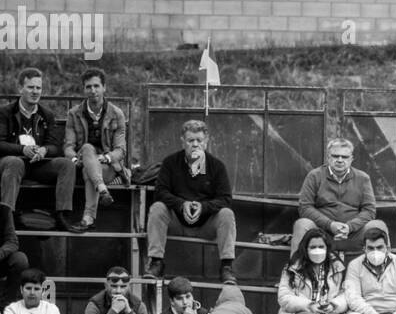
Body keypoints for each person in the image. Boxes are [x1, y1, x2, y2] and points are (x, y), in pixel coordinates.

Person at [145, 119, 238, 282]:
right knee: (157, 208)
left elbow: (225, 199)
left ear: (206, 142)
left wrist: (204, 207)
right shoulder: (170, 163)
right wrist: (182, 205)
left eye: (199, 140)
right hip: (176, 222)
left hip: (206, 225)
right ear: (183, 142)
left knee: (227, 214)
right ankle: (156, 262)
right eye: (190, 140)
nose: (195, 145)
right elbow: (160, 192)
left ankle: (227, 267)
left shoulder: (217, 166)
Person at [0, 69, 79, 237]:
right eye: (30, 87)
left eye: (38, 88)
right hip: (12, 164)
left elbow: (55, 146)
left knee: (66, 164)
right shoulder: (5, 112)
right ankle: (6, 217)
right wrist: (22, 150)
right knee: (14, 162)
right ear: (20, 88)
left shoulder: (47, 115)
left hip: (38, 165)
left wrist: (44, 150)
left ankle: (62, 216)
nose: (35, 92)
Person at [63, 70, 129, 232]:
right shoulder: (74, 114)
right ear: (84, 89)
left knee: (89, 171)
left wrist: (105, 158)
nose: (93, 91)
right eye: (88, 87)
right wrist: (74, 159)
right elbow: (68, 147)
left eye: (96, 86)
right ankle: (101, 191)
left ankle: (88, 218)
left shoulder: (116, 114)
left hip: (108, 167)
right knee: (86, 149)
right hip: (82, 162)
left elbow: (120, 150)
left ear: (104, 87)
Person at [291, 138, 376, 255]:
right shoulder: (315, 176)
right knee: (302, 224)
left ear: (351, 159)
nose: (340, 160)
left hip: (352, 235)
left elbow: (369, 210)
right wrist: (330, 225)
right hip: (321, 235)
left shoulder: (363, 178)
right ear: (328, 158)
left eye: (345, 157)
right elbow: (305, 208)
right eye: (335, 156)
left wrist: (350, 227)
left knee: (378, 226)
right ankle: (295, 270)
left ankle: (387, 270)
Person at [276, 229, 347, 314]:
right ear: (305, 248)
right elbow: (284, 297)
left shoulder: (338, 267)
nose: (317, 250)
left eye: (321, 247)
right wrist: (309, 305)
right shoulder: (292, 267)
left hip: (328, 312)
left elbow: (346, 294)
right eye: (313, 247)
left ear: (327, 248)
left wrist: (333, 305)